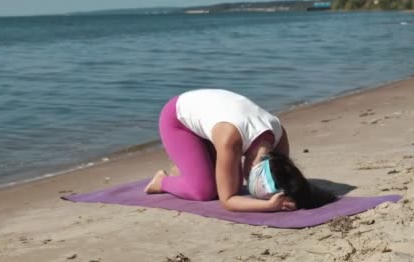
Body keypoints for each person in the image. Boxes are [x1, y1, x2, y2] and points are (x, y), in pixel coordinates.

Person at [144, 89, 336, 212]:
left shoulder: (278, 137)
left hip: (215, 118)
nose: (247, 183)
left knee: (228, 182)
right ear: (252, 167)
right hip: (177, 118)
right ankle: (162, 181)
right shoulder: (231, 140)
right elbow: (228, 201)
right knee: (205, 191)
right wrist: (267, 206)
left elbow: (283, 175)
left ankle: (186, 167)